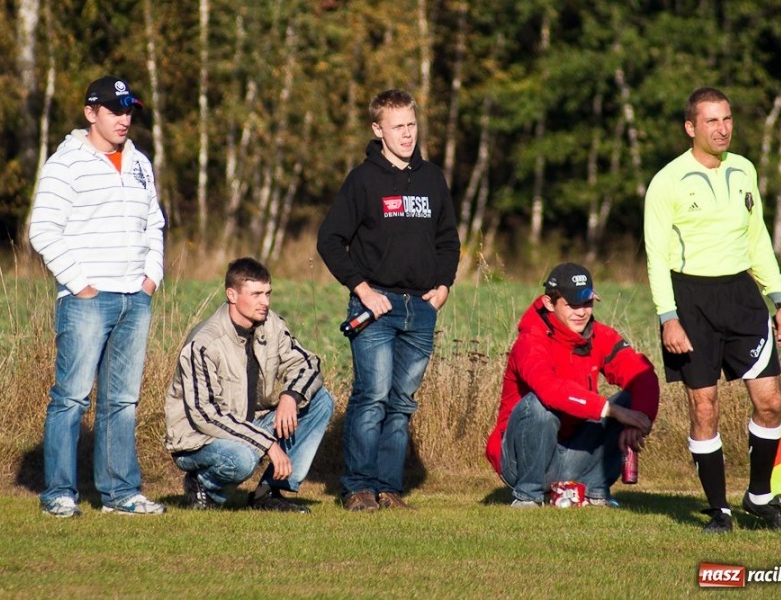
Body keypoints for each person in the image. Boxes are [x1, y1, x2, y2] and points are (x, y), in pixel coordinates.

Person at [644, 87, 781, 533]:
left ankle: (759, 498)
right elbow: (655, 256)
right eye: (712, 121)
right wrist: (667, 316)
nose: (722, 129)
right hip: (691, 302)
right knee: (705, 407)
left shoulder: (744, 170)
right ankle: (719, 509)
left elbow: (758, 240)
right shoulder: (667, 180)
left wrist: (780, 298)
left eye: (727, 119)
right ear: (690, 128)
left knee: (770, 402)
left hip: (742, 297)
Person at [316, 88, 460, 511]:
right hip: (374, 310)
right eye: (398, 126)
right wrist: (362, 290)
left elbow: (448, 241)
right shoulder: (363, 181)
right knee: (372, 395)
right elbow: (330, 240)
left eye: (412, 124)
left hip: (421, 309)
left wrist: (444, 287)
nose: (407, 134)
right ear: (378, 129)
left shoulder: (433, 178)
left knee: (400, 404)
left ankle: (388, 488)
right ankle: (358, 487)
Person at [29, 76, 166, 517]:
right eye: (115, 110)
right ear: (91, 113)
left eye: (129, 111)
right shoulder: (65, 163)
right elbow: (42, 230)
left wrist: (151, 278)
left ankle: (121, 493)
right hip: (87, 300)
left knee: (122, 401)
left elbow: (154, 224)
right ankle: (59, 494)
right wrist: (81, 285)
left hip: (134, 298)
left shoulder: (140, 162)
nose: (124, 119)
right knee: (71, 398)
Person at [164, 257, 334, 512]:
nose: (265, 302)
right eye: (256, 294)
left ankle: (269, 493)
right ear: (232, 295)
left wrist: (290, 395)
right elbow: (206, 416)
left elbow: (308, 363)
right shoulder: (204, 343)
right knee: (242, 459)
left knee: (320, 400)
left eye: (268, 293)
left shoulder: (271, 324)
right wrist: (267, 443)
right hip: (200, 439)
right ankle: (203, 485)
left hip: (247, 425)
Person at [485, 263, 659, 507]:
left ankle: (595, 493)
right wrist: (612, 411)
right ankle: (528, 496)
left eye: (587, 304)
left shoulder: (600, 335)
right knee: (539, 404)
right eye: (572, 305)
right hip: (519, 461)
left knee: (630, 401)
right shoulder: (530, 340)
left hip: (571, 455)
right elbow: (550, 390)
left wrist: (638, 419)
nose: (581, 312)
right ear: (549, 303)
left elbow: (643, 374)